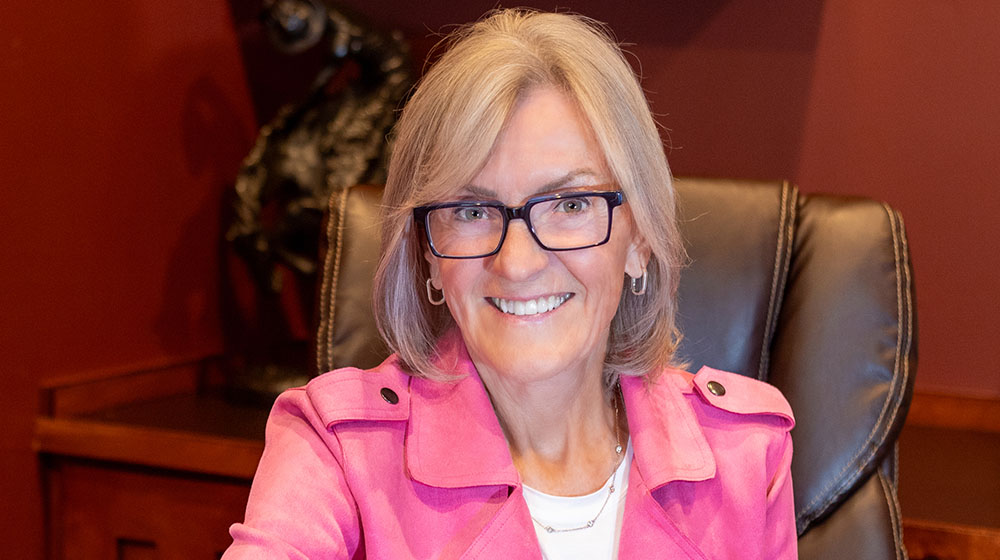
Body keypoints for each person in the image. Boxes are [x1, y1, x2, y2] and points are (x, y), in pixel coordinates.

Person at [223, 9, 796, 559]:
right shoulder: (337, 450)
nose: (518, 263)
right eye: (472, 211)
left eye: (570, 203)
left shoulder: (746, 452)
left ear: (639, 237)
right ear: (427, 253)